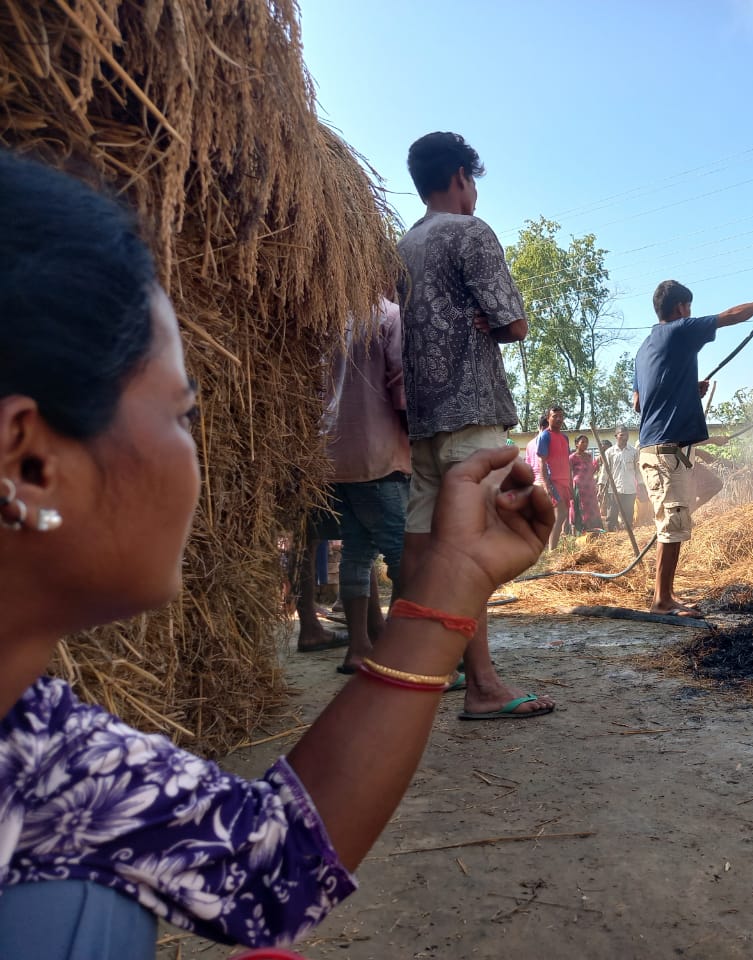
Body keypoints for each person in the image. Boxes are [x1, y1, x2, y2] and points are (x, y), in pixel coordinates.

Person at [0, 150, 555, 956]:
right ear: (30, 463)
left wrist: (455, 584)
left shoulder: (43, 744)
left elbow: (268, 868)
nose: (198, 452)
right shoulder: (465, 238)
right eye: (181, 414)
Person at [397, 131, 554, 719]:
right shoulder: (470, 232)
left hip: (420, 420)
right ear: (462, 176)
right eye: (473, 180)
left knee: (420, 547)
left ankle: (416, 669)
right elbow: (514, 323)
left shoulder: (403, 245)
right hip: (471, 417)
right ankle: (483, 685)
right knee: (473, 548)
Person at [632, 280, 753, 617]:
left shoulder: (646, 347)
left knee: (679, 515)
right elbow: (729, 316)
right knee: (673, 524)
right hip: (665, 450)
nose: (691, 313)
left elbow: (638, 403)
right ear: (681, 308)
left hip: (659, 448)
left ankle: (666, 595)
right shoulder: (678, 331)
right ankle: (662, 601)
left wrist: (687, 389)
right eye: (689, 307)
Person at [326, 297, 411, 674]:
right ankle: (399, 648)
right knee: (403, 555)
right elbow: (401, 386)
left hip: (334, 455)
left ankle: (358, 648)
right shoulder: (389, 315)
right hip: (380, 453)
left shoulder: (330, 317)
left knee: (356, 554)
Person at [536, 405, 572, 549]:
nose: (558, 419)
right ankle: (552, 550)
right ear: (548, 418)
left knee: (562, 516)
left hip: (565, 482)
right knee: (561, 514)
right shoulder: (545, 436)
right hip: (553, 481)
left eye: (561, 416)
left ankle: (552, 547)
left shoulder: (565, 438)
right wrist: (546, 485)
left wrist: (570, 481)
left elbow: (566, 461)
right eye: (555, 416)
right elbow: (542, 462)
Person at [604, 426, 639, 532]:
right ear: (616, 436)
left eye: (626, 434)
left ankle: (626, 536)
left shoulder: (633, 451)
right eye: (622, 434)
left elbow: (637, 470)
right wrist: (601, 485)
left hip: (630, 489)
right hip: (613, 489)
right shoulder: (609, 452)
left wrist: (641, 484)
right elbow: (605, 470)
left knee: (628, 515)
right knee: (612, 515)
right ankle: (612, 535)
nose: (625, 437)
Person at [568, 435, 603, 533]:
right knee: (580, 508)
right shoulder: (572, 457)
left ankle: (593, 531)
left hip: (590, 487)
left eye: (586, 442)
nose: (585, 444)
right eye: (582, 442)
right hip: (579, 488)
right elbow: (568, 473)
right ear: (576, 444)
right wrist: (570, 487)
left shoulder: (588, 456)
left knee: (592, 508)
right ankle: (580, 532)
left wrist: (598, 462)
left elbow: (591, 470)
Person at [525, 413, 549, 489]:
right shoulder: (549, 442)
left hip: (534, 483)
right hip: (548, 484)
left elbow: (527, 466)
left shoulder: (529, 444)